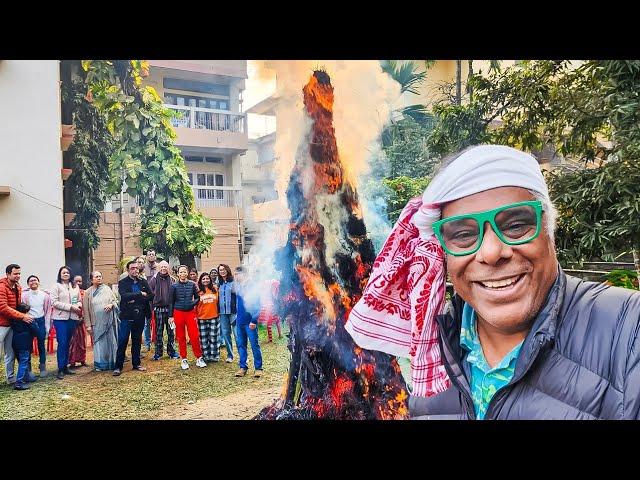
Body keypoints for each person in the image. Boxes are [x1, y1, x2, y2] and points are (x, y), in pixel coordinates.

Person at [347, 144, 640, 420]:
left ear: (549, 229)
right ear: (442, 252)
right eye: (463, 234)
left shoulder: (629, 332)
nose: (490, 253)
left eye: (515, 225)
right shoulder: (432, 360)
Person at [113, 261, 153, 376]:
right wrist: (140, 294)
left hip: (140, 315)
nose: (135, 270)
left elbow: (151, 295)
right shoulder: (123, 282)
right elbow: (124, 296)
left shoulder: (143, 281)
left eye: (136, 268)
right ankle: (118, 366)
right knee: (123, 340)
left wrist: (135, 299)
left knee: (137, 340)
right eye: (132, 268)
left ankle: (136, 363)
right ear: (128, 270)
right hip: (127, 316)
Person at [0, 264, 32, 386]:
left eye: (19, 273)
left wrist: (25, 309)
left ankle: (10, 378)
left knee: (10, 353)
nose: (18, 276)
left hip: (11, 324)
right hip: (1, 325)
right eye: (15, 274)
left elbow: (17, 306)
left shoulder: (18, 287)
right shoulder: (2, 287)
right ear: (8, 274)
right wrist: (22, 316)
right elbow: (3, 307)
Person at [169, 265, 206, 370]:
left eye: (184, 272)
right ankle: (184, 359)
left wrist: (192, 303)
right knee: (181, 337)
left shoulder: (193, 284)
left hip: (190, 313)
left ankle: (199, 357)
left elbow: (198, 297)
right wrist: (170, 316)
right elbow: (171, 302)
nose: (183, 274)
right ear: (178, 274)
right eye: (181, 272)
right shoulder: (174, 286)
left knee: (194, 336)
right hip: (178, 312)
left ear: (187, 273)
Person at [83, 271, 119, 371]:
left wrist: (111, 305)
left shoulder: (107, 289)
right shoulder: (87, 292)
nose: (99, 278)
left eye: (100, 276)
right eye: (96, 277)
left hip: (108, 321)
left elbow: (115, 301)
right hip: (96, 322)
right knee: (99, 343)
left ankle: (111, 362)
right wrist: (88, 325)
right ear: (91, 279)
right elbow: (85, 310)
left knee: (110, 341)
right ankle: (100, 365)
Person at [50, 266, 81, 380]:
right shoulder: (56, 286)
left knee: (68, 343)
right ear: (60, 274)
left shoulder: (74, 285)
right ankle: (60, 368)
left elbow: (78, 300)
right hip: (60, 319)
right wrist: (70, 307)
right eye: (63, 272)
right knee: (62, 343)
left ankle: (66, 366)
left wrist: (78, 306)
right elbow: (54, 302)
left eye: (67, 272)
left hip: (72, 318)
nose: (66, 274)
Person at [233, 267, 263, 378]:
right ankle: (242, 367)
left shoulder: (253, 286)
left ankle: (258, 368)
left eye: (238, 274)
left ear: (244, 274)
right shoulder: (238, 287)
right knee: (241, 345)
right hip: (239, 321)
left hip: (250, 322)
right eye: (235, 274)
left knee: (254, 345)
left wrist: (254, 320)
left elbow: (258, 305)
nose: (236, 277)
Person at [148, 261, 179, 360]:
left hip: (170, 309)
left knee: (171, 331)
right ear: (159, 268)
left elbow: (176, 294)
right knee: (159, 331)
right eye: (162, 267)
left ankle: (172, 352)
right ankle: (158, 353)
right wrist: (152, 306)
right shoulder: (154, 280)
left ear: (168, 268)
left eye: (165, 266)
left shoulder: (173, 280)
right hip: (158, 309)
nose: (163, 268)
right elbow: (150, 293)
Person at [22, 275, 51, 377]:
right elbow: (23, 310)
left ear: (39, 282)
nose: (33, 282)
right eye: (30, 281)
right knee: (28, 345)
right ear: (28, 284)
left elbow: (48, 311)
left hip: (41, 320)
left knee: (41, 344)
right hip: (29, 321)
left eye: (35, 280)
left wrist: (47, 326)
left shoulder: (45, 295)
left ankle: (42, 366)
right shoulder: (24, 295)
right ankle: (28, 369)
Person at [196, 272, 220, 363]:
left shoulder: (215, 289)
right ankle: (206, 355)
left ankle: (215, 355)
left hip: (214, 316)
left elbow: (218, 302)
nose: (205, 280)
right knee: (204, 338)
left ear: (210, 280)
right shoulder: (198, 292)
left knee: (214, 337)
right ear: (200, 281)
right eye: (203, 279)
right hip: (201, 317)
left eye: (207, 278)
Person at [217, 264, 236, 363]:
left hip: (233, 311)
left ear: (227, 270)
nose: (222, 271)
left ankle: (242, 355)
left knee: (237, 334)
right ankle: (230, 355)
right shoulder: (218, 283)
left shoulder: (234, 282)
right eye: (220, 270)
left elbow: (238, 295)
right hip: (222, 312)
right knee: (225, 333)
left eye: (224, 269)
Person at [68, 274, 87, 368]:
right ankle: (72, 361)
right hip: (73, 319)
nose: (79, 283)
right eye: (76, 281)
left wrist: (83, 317)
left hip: (82, 320)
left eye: (80, 281)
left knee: (82, 341)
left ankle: (82, 360)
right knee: (73, 341)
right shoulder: (71, 293)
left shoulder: (85, 292)